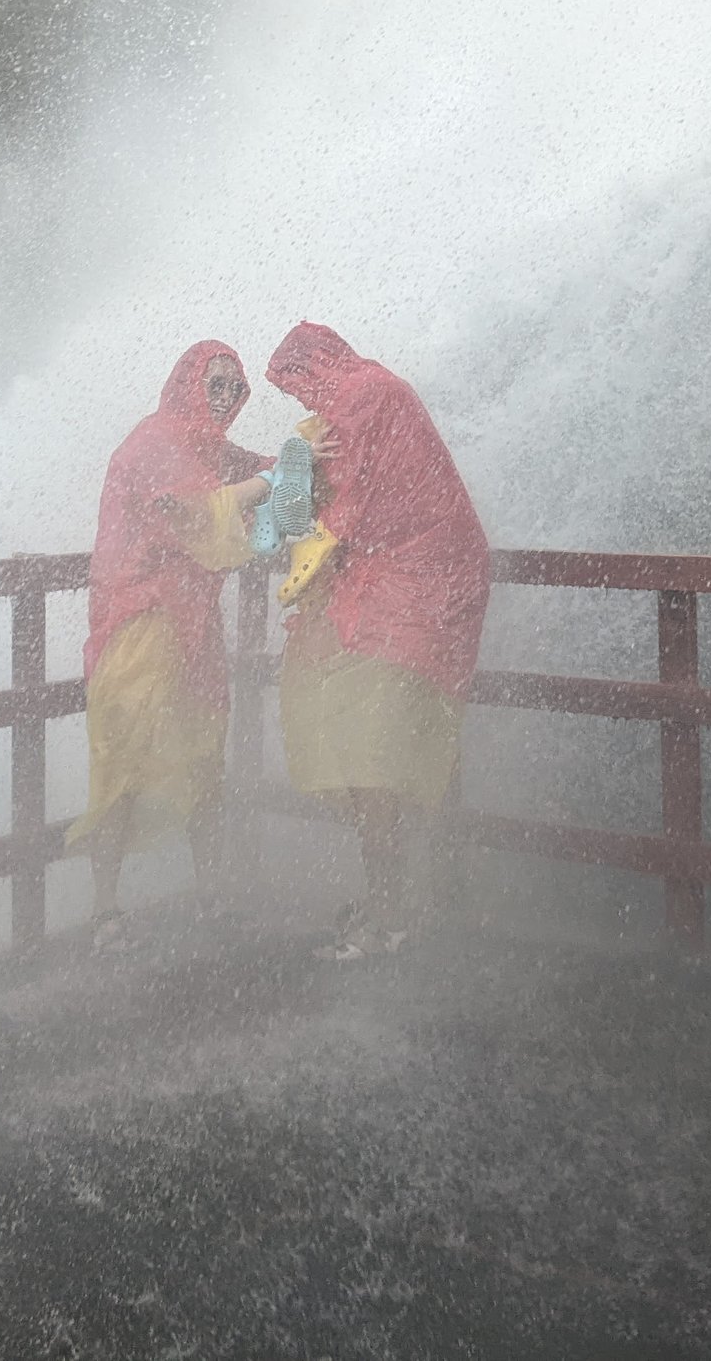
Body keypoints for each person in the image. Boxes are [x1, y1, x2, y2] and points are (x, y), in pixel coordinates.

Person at [263, 322, 489, 959]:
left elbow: (342, 509)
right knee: (395, 743)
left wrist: (295, 546)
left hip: (415, 581)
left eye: (300, 386)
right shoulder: (370, 388)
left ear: (315, 367)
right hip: (425, 576)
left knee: (370, 751)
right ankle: (419, 898)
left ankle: (390, 913)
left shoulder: (361, 397)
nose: (305, 403)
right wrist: (297, 469)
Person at [71, 341, 272, 951]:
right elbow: (202, 514)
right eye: (214, 384)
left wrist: (306, 455)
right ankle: (105, 913)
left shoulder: (201, 444)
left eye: (235, 389)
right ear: (187, 383)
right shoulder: (158, 440)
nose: (225, 398)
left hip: (191, 627)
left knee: (203, 762)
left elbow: (258, 464)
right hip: (139, 625)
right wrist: (271, 481)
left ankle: (209, 894)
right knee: (123, 766)